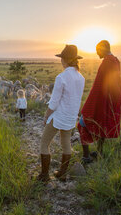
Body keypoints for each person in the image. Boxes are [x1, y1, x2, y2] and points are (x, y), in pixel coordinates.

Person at [38, 45, 85, 182]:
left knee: (44, 143)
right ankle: (62, 173)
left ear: (64, 60)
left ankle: (44, 176)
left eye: (61, 58)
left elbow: (54, 102)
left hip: (59, 116)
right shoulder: (80, 77)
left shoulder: (61, 77)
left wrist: (47, 116)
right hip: (71, 116)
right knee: (66, 143)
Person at [78, 40, 121, 163]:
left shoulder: (107, 62)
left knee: (82, 122)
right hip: (110, 100)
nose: (96, 53)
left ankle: (86, 156)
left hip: (102, 100)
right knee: (103, 125)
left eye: (97, 50)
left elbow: (99, 86)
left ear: (103, 48)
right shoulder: (115, 60)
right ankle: (99, 152)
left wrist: (89, 104)